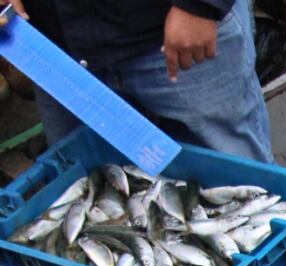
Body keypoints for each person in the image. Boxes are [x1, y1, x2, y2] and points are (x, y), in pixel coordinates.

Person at [1, 0, 271, 161]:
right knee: (93, 202)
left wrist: (200, 6)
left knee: (244, 198)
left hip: (181, 35)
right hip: (60, 55)